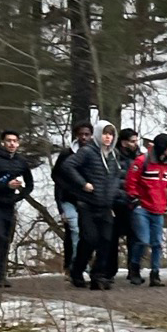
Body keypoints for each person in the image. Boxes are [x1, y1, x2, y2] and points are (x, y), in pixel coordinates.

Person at [126, 134, 167, 286]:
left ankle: (155, 273)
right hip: (142, 207)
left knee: (157, 243)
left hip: (159, 208)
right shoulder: (142, 161)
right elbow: (131, 182)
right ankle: (134, 267)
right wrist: (134, 199)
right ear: (163, 148)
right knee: (143, 240)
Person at [68, 125, 118, 291]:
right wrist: (83, 184)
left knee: (106, 240)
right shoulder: (88, 152)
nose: (108, 137)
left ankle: (98, 276)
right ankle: (76, 271)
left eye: (111, 134)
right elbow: (68, 166)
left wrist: (114, 194)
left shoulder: (113, 155)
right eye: (105, 134)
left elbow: (116, 176)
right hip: (87, 204)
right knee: (89, 239)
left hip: (105, 205)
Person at [0, 130, 34, 288]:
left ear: (18, 144)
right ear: (3, 143)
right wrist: (5, 185)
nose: (12, 144)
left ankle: (1, 274)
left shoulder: (21, 162)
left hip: (8, 204)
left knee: (6, 238)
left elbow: (30, 184)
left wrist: (18, 196)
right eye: (9, 141)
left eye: (15, 141)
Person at [51, 123, 92, 274]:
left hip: (88, 200)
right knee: (74, 230)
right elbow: (56, 176)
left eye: (87, 134)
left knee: (87, 234)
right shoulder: (66, 154)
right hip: (68, 199)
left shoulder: (94, 153)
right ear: (76, 135)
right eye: (81, 134)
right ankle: (77, 266)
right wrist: (61, 204)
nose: (84, 137)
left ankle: (80, 263)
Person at [110, 125, 143, 285]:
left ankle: (134, 269)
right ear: (123, 143)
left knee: (136, 237)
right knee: (112, 237)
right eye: (132, 141)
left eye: (136, 141)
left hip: (134, 202)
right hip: (117, 202)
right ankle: (110, 270)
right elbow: (112, 179)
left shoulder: (140, 157)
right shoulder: (113, 157)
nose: (135, 144)